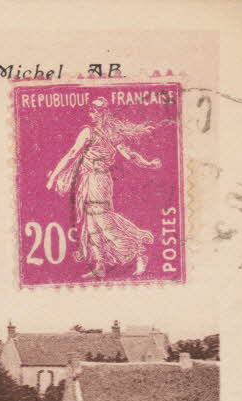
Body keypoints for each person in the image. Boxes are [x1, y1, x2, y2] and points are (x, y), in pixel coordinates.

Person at [45, 98, 163, 278]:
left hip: (98, 180)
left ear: (102, 113)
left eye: (94, 111)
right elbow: (74, 154)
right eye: (91, 111)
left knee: (102, 220)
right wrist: (147, 163)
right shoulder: (93, 131)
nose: (91, 114)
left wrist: (54, 176)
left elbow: (72, 154)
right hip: (87, 179)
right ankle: (99, 265)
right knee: (89, 222)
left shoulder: (95, 132)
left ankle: (139, 251)